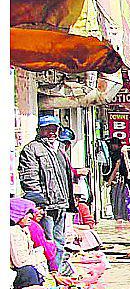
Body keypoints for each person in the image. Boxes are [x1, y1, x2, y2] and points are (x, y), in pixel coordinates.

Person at [17, 115, 75, 272]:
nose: (52, 132)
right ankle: (52, 272)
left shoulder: (60, 149)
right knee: (48, 241)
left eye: (54, 129)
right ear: (40, 131)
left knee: (60, 241)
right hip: (46, 205)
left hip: (61, 204)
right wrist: (39, 203)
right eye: (48, 129)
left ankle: (60, 271)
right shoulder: (32, 149)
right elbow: (30, 178)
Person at [10, 198, 50, 289]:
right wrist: (39, 255)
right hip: (12, 273)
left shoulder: (24, 229)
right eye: (28, 213)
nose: (31, 216)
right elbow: (20, 262)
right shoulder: (13, 231)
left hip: (21, 268)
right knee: (29, 272)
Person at [21, 192, 61, 273]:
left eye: (43, 209)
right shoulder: (33, 226)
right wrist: (52, 244)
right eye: (39, 209)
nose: (42, 212)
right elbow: (48, 252)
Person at [105, 138, 130, 230]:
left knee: (118, 197)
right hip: (120, 179)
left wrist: (110, 180)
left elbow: (116, 167)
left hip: (119, 179)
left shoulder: (118, 154)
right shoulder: (115, 153)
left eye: (114, 144)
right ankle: (119, 215)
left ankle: (119, 215)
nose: (112, 146)